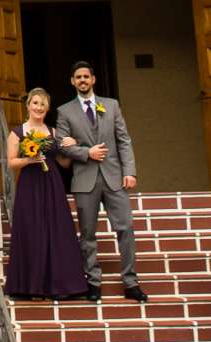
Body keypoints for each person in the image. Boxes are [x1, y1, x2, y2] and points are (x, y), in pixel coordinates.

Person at [55, 62, 146, 302]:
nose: (83, 80)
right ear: (72, 81)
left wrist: (131, 171)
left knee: (125, 228)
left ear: (93, 79)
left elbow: (123, 140)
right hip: (85, 180)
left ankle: (130, 282)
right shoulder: (65, 111)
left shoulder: (112, 105)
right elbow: (62, 145)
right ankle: (93, 282)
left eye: (86, 76)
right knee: (87, 234)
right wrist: (86, 153)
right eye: (78, 77)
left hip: (115, 177)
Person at [3, 86, 86, 301]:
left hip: (52, 184)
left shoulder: (54, 132)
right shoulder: (17, 132)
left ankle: (60, 285)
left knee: (56, 228)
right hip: (30, 185)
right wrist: (30, 159)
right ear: (28, 105)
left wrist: (71, 145)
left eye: (43, 104)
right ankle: (30, 286)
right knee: (31, 229)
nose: (39, 107)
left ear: (47, 109)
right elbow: (11, 163)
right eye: (36, 103)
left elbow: (63, 162)